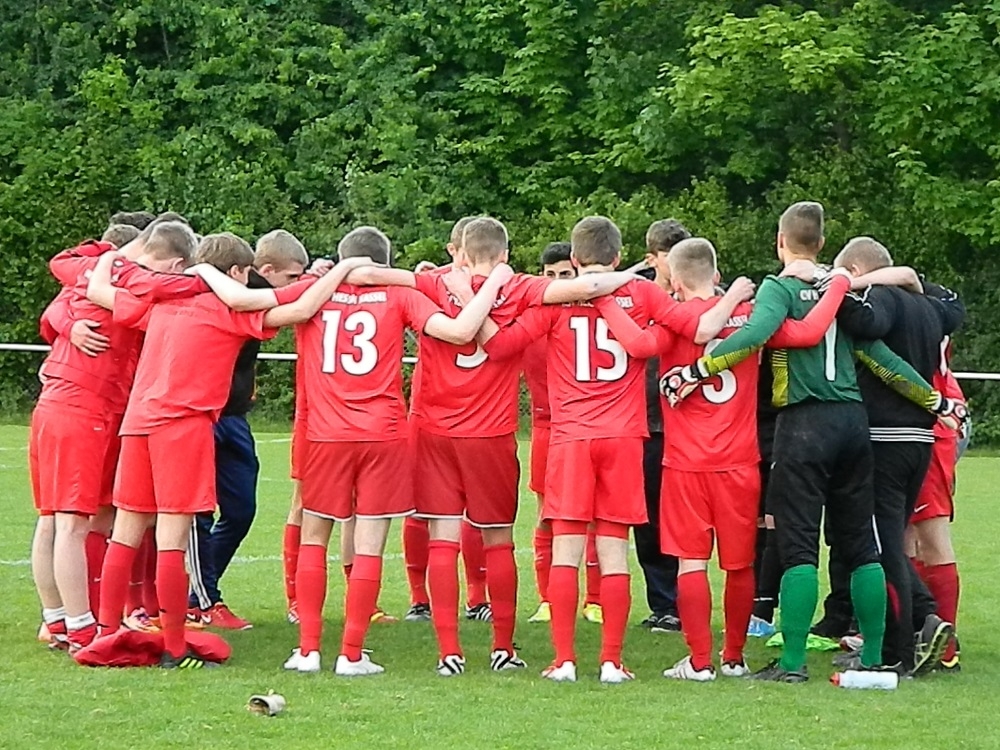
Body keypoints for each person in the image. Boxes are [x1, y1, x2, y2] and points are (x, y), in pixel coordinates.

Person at [662, 202, 965, 682]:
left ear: (780, 242)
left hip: (804, 424)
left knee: (799, 546)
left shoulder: (779, 288)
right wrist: (936, 401)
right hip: (853, 423)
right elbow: (879, 357)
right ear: (822, 244)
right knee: (861, 544)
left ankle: (791, 663)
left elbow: (755, 335)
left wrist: (698, 370)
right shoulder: (836, 289)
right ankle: (872, 656)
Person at [477, 217, 754, 683]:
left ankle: (565, 660)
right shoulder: (641, 293)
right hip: (624, 438)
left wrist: (473, 307)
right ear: (619, 256)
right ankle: (610, 661)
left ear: (574, 260)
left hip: (571, 437)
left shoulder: (554, 300)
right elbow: (698, 326)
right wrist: (734, 297)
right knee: (613, 552)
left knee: (566, 551)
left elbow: (499, 346)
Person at [88, 233, 368, 669]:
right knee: (171, 539)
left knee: (126, 531)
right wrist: (343, 269)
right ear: (237, 272)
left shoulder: (163, 299)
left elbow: (100, 291)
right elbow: (299, 308)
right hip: (183, 426)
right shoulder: (228, 309)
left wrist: (110, 255)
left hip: (138, 423)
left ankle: (105, 635)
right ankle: (174, 646)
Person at [395, 216, 643, 675]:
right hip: (491, 432)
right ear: (505, 255)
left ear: (460, 251)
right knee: (498, 541)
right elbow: (586, 288)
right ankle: (502, 647)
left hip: (433, 429)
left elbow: (373, 274)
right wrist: (636, 274)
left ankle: (449, 652)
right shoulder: (520, 287)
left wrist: (341, 271)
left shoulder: (432, 283)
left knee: (443, 540)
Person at [596, 237, 851, 680]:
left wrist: (602, 298)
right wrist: (837, 282)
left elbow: (638, 343)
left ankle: (699, 661)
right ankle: (734, 657)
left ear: (675, 282)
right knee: (739, 564)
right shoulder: (751, 316)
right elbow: (806, 332)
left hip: (685, 463)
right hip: (740, 461)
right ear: (716, 275)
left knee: (691, 563)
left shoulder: (675, 322)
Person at [279, 226, 511, 675]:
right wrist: (493, 282)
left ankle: (307, 650)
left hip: (325, 433)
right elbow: (461, 331)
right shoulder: (399, 294)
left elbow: (257, 304)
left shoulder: (314, 290)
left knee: (314, 538)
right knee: (369, 545)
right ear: (386, 263)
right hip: (382, 433)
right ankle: (351, 654)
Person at [30, 222, 203, 652]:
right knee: (71, 522)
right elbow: (169, 287)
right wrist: (210, 278)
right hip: (83, 406)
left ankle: (58, 619)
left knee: (58, 519)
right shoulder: (131, 275)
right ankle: (79, 627)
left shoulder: (94, 269)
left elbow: (56, 301)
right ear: (174, 262)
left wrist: (69, 319)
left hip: (66, 403)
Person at [815, 238, 965, 674]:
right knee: (895, 539)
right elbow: (951, 305)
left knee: (882, 547)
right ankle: (923, 625)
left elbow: (866, 322)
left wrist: (838, 287)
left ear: (857, 273)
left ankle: (899, 648)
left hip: (885, 437)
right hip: (920, 437)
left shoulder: (880, 299)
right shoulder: (929, 307)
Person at [187, 229, 309, 630]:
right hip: (199, 415)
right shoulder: (231, 291)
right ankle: (202, 599)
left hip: (234, 416)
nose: (294, 283)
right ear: (262, 270)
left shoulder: (246, 288)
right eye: (291, 276)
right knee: (197, 512)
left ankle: (197, 593)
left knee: (240, 510)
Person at [524, 242, 603, 626]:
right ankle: (547, 600)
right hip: (546, 427)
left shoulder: (592, 314)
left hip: (587, 427)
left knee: (594, 517)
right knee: (546, 516)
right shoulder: (534, 316)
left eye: (565, 275)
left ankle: (595, 599)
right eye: (550, 275)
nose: (557, 282)